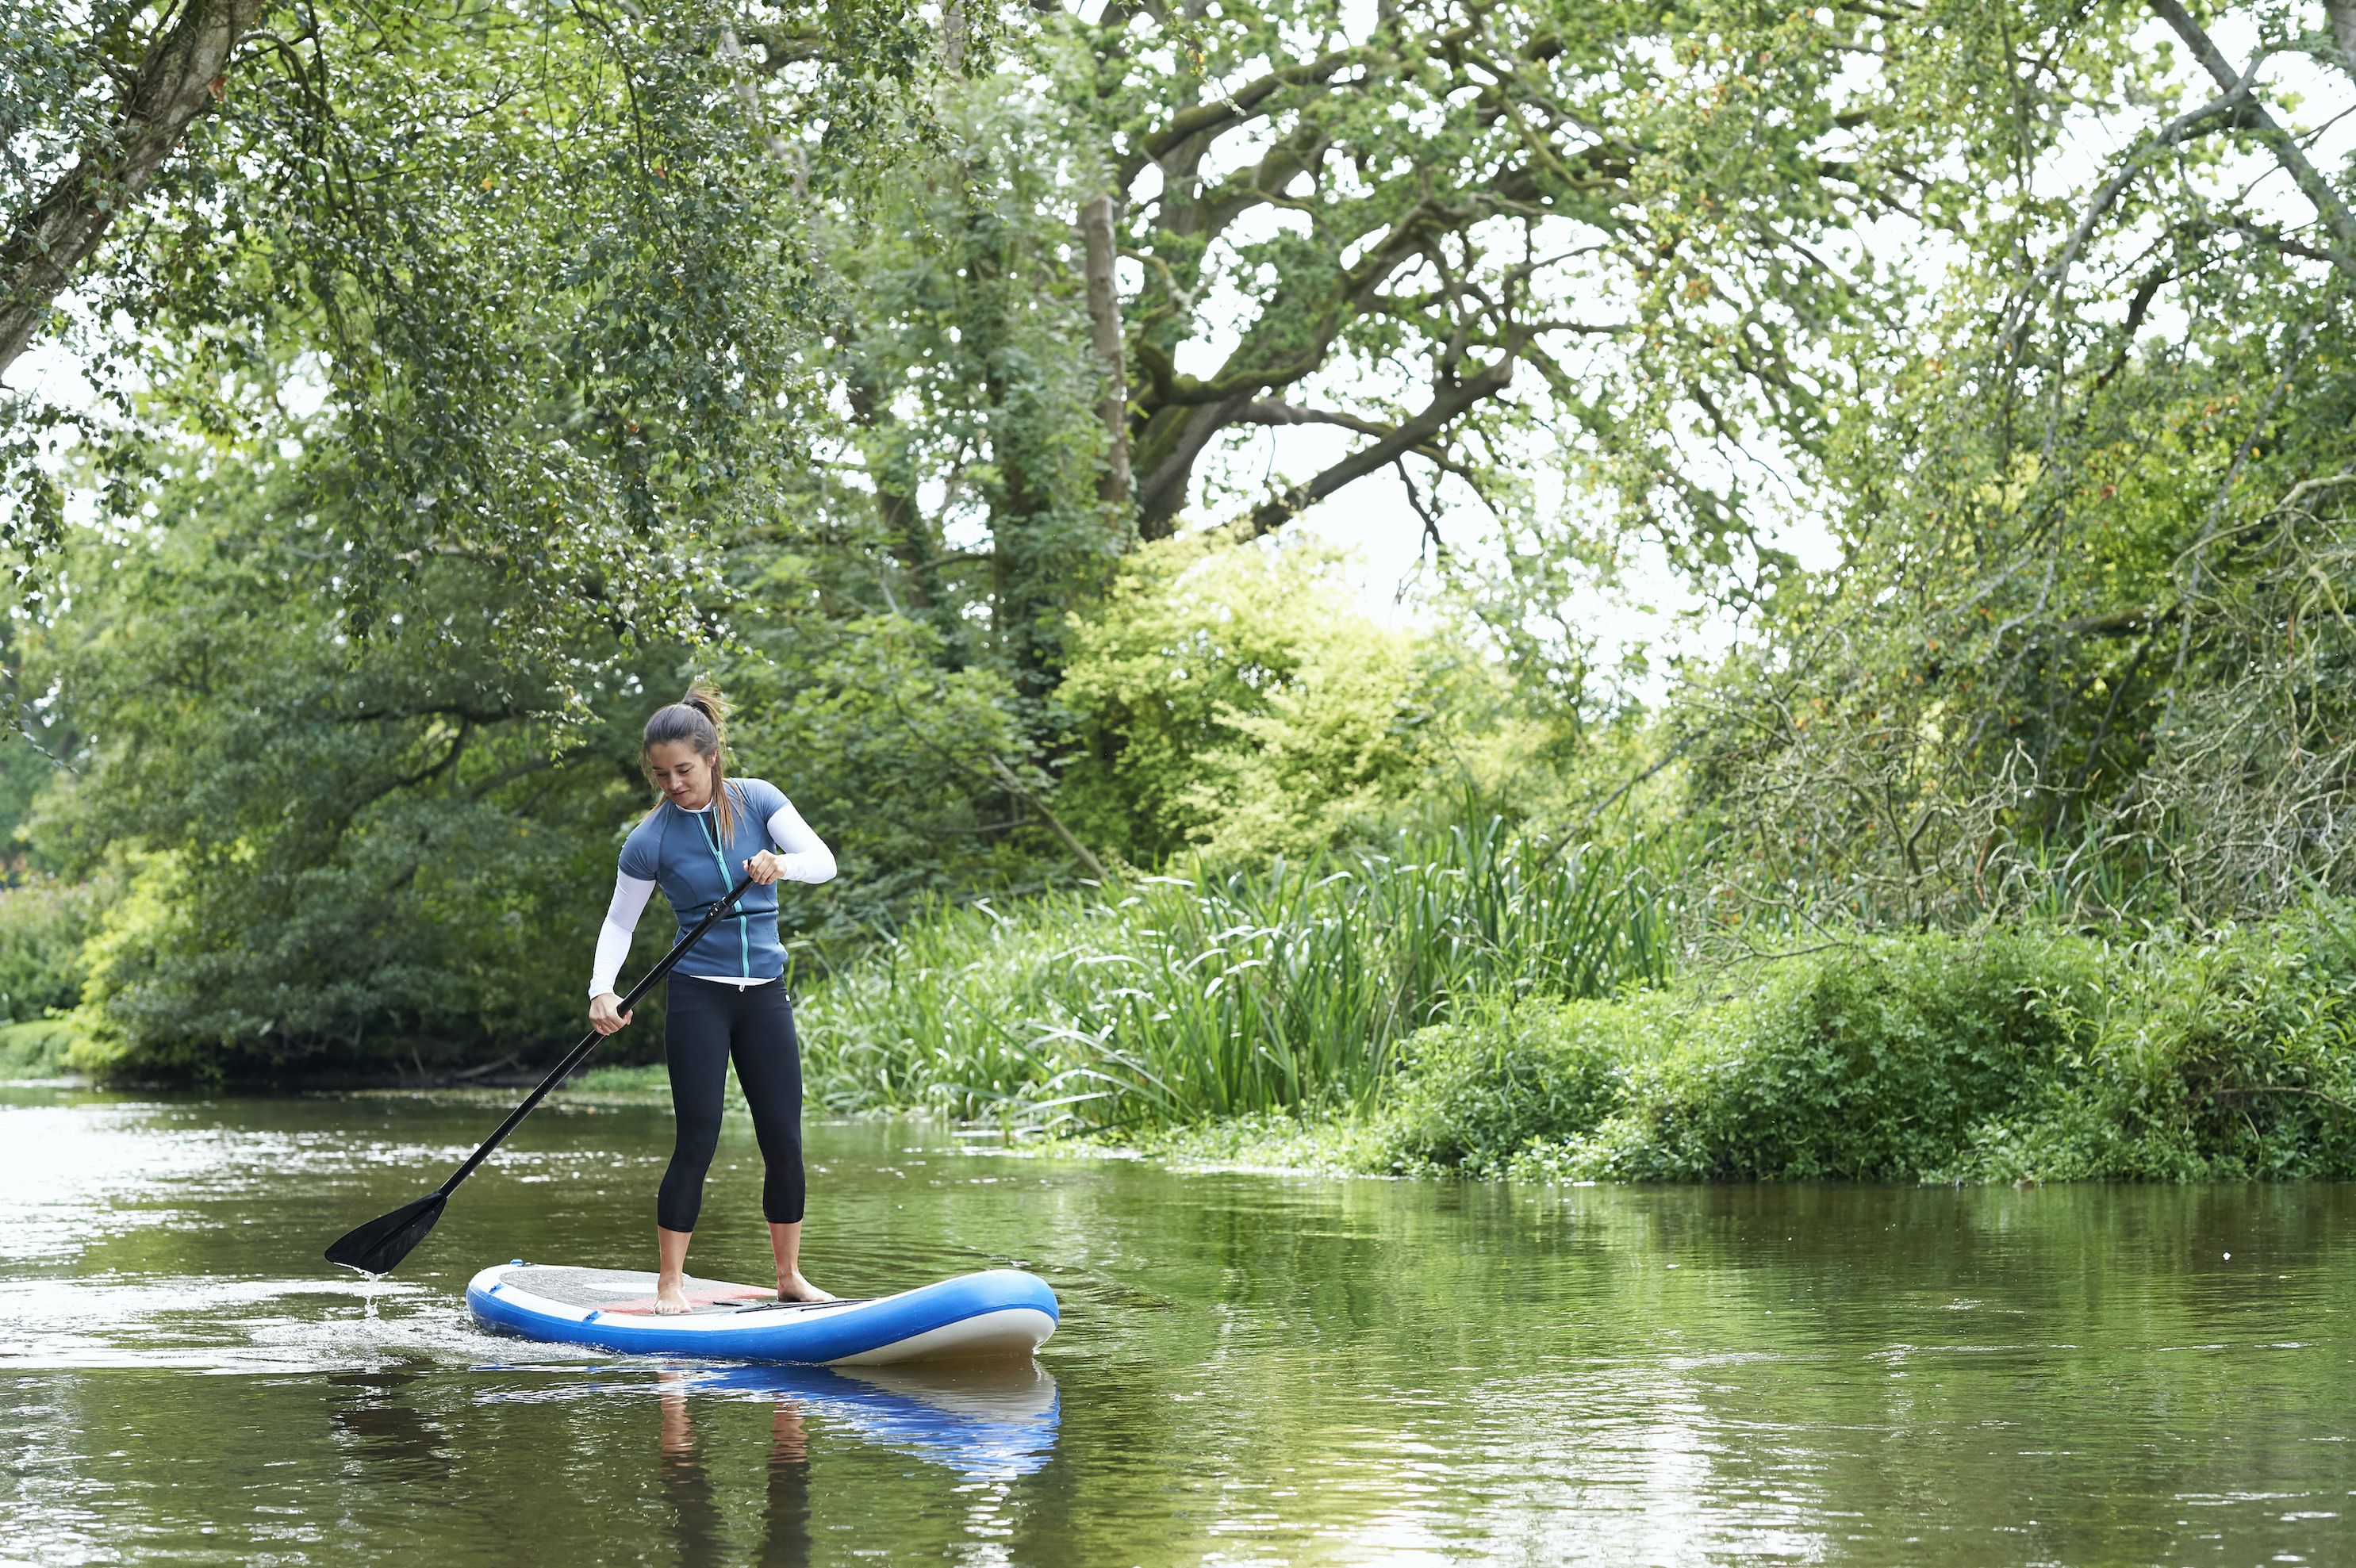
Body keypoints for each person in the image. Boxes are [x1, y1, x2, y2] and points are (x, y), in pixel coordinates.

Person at [587, 682, 838, 1313]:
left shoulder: (758, 800)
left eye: (684, 770)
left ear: (712, 755)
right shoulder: (651, 840)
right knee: (697, 1137)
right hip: (699, 996)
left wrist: (781, 864)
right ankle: (670, 1282)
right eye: (661, 774)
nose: (673, 783)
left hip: (765, 998)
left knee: (783, 1137)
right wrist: (602, 990)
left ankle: (789, 1276)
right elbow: (620, 922)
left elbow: (823, 860)